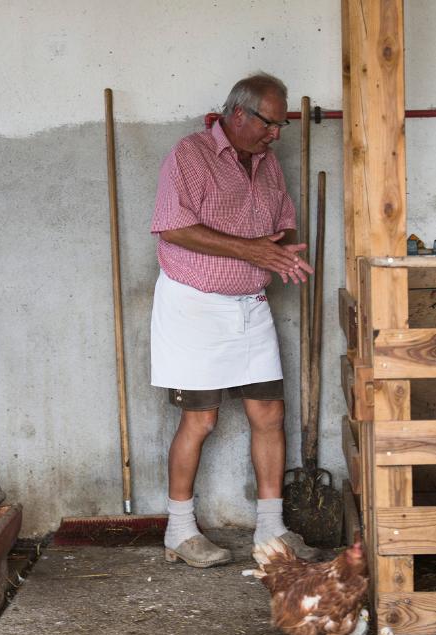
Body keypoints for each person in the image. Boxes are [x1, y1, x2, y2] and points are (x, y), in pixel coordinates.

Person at [150, 72, 320, 567]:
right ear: (238, 114)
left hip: (250, 305)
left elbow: (283, 217)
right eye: (271, 123)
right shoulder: (191, 155)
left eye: (283, 125)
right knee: (200, 420)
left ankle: (271, 529)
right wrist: (252, 250)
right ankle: (179, 531)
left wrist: (281, 248)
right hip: (195, 305)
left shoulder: (267, 165)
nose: (277, 135)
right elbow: (173, 227)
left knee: (269, 414)